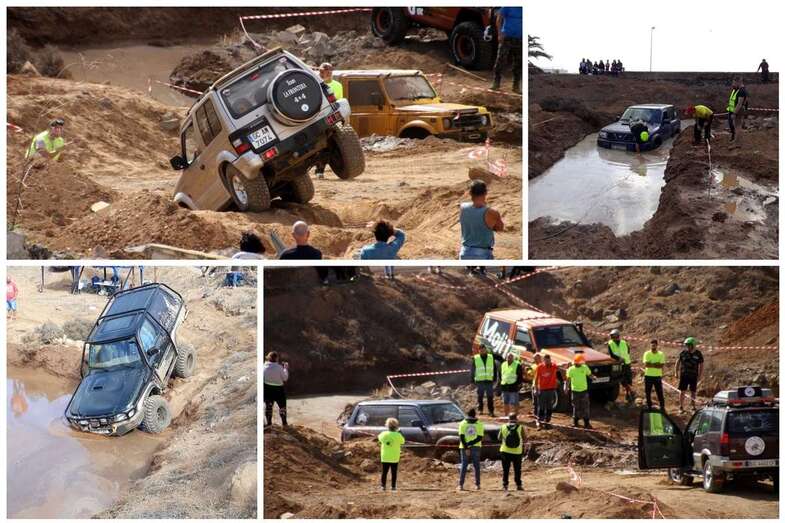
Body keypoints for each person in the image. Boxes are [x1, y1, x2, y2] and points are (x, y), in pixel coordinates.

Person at [459, 180, 504, 260]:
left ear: (470, 193)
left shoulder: (463, 207)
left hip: (464, 252)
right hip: (483, 254)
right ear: (485, 193)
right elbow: (500, 228)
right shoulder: (492, 212)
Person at [314, 63, 345, 180]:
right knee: (320, 144)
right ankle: (319, 169)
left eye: (327, 71)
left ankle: (322, 168)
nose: (324, 73)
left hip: (332, 118)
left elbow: (339, 102)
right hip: (319, 117)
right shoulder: (316, 84)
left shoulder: (337, 85)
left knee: (331, 144)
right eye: (322, 71)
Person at [491, 7, 522, 93]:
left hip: (520, 39)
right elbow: (499, 19)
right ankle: (496, 83)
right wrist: (499, 33)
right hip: (506, 37)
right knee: (500, 59)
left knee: (519, 62)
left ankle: (516, 86)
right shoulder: (508, 6)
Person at [458, 408, 484, 490]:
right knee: (476, 466)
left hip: (464, 447)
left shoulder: (462, 423)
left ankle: (461, 485)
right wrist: (471, 443)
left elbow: (461, 437)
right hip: (476, 447)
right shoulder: (479, 424)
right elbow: (480, 437)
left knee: (464, 465)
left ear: (467, 414)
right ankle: (477, 485)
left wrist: (466, 447)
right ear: (474, 415)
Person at [675, 337, 704, 413]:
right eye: (686, 345)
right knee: (682, 391)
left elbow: (701, 365)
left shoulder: (698, 354)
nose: (687, 346)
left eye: (689, 345)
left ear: (693, 345)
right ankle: (681, 407)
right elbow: (678, 362)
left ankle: (693, 407)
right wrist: (676, 372)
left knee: (693, 391)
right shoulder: (683, 353)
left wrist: (700, 375)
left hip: (693, 376)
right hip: (684, 375)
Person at [497, 413, 524, 491]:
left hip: (505, 451)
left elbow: (499, 438)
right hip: (517, 452)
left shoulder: (503, 426)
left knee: (506, 469)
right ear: (516, 419)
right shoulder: (520, 427)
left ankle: (505, 485)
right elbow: (525, 438)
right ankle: (518, 485)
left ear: (508, 419)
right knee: (517, 469)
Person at [607, 329, 635, 403]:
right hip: (618, 364)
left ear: (618, 336)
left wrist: (625, 358)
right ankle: (631, 392)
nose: (614, 338)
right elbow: (611, 354)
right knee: (622, 379)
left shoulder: (624, 342)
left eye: (615, 336)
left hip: (627, 363)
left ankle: (628, 393)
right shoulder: (610, 343)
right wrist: (619, 358)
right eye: (612, 336)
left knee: (628, 379)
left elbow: (628, 351)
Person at [378, 417, 405, 491]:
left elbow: (379, 438)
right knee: (394, 472)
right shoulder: (398, 435)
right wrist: (399, 433)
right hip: (394, 457)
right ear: (396, 426)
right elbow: (403, 441)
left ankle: (383, 486)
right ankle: (393, 486)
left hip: (385, 456)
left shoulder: (383, 434)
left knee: (384, 472)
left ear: (387, 425)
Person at [565, 354, 592, 429]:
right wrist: (566, 388)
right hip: (575, 391)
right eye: (581, 362)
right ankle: (575, 422)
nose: (582, 363)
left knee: (585, 407)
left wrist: (593, 377)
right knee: (576, 407)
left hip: (584, 391)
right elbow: (568, 380)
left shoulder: (585, 367)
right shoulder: (571, 369)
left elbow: (589, 374)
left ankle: (586, 423)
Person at [263, 352, 289, 426]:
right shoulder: (279, 367)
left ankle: (269, 424)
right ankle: (284, 424)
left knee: (268, 407)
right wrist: (285, 368)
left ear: (268, 358)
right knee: (282, 407)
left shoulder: (263, 366)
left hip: (267, 389)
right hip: (279, 390)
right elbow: (285, 378)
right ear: (277, 358)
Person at [471, 345, 497, 417]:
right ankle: (480, 409)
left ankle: (491, 411)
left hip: (489, 380)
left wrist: (495, 378)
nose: (482, 351)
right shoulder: (476, 358)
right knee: (480, 396)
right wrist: (472, 380)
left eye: (483, 350)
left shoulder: (491, 357)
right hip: (480, 381)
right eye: (481, 350)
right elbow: (473, 370)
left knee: (490, 397)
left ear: (486, 350)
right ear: (479, 351)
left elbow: (494, 368)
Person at [535, 354, 560, 429]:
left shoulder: (553, 366)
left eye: (549, 361)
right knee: (541, 406)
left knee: (549, 406)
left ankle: (547, 422)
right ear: (544, 360)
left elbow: (560, 366)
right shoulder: (540, 367)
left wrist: (567, 365)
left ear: (550, 360)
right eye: (546, 361)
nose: (547, 362)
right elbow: (536, 378)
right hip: (542, 389)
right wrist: (536, 389)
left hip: (551, 389)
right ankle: (540, 422)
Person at [643, 340, 666, 410]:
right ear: (650, 345)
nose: (653, 346)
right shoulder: (647, 353)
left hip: (657, 376)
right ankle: (649, 406)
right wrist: (656, 364)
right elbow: (646, 365)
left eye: (654, 345)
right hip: (648, 376)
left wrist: (651, 364)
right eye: (652, 345)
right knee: (647, 392)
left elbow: (661, 365)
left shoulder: (661, 354)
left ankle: (662, 407)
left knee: (659, 392)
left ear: (657, 345)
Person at [500, 352, 523, 417]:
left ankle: (515, 416)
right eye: (508, 357)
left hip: (513, 386)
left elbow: (520, 376)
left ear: (513, 358)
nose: (509, 358)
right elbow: (501, 374)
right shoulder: (503, 364)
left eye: (511, 357)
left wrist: (518, 384)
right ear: (506, 357)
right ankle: (506, 415)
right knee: (505, 402)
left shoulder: (517, 365)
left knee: (515, 402)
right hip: (505, 385)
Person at [727, 76, 748, 145]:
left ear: (738, 82)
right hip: (737, 110)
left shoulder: (741, 91)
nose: (733, 84)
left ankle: (737, 143)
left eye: (734, 82)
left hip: (738, 110)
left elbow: (739, 103)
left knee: (738, 127)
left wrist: (734, 113)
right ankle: (736, 141)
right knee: (736, 127)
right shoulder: (739, 90)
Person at [527, 353, 542, 421]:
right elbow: (530, 375)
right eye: (534, 359)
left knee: (540, 402)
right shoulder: (533, 366)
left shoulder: (543, 366)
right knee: (535, 402)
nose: (535, 360)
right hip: (534, 385)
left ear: (540, 358)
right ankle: (536, 415)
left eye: (536, 358)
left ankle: (540, 416)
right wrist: (528, 371)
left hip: (542, 386)